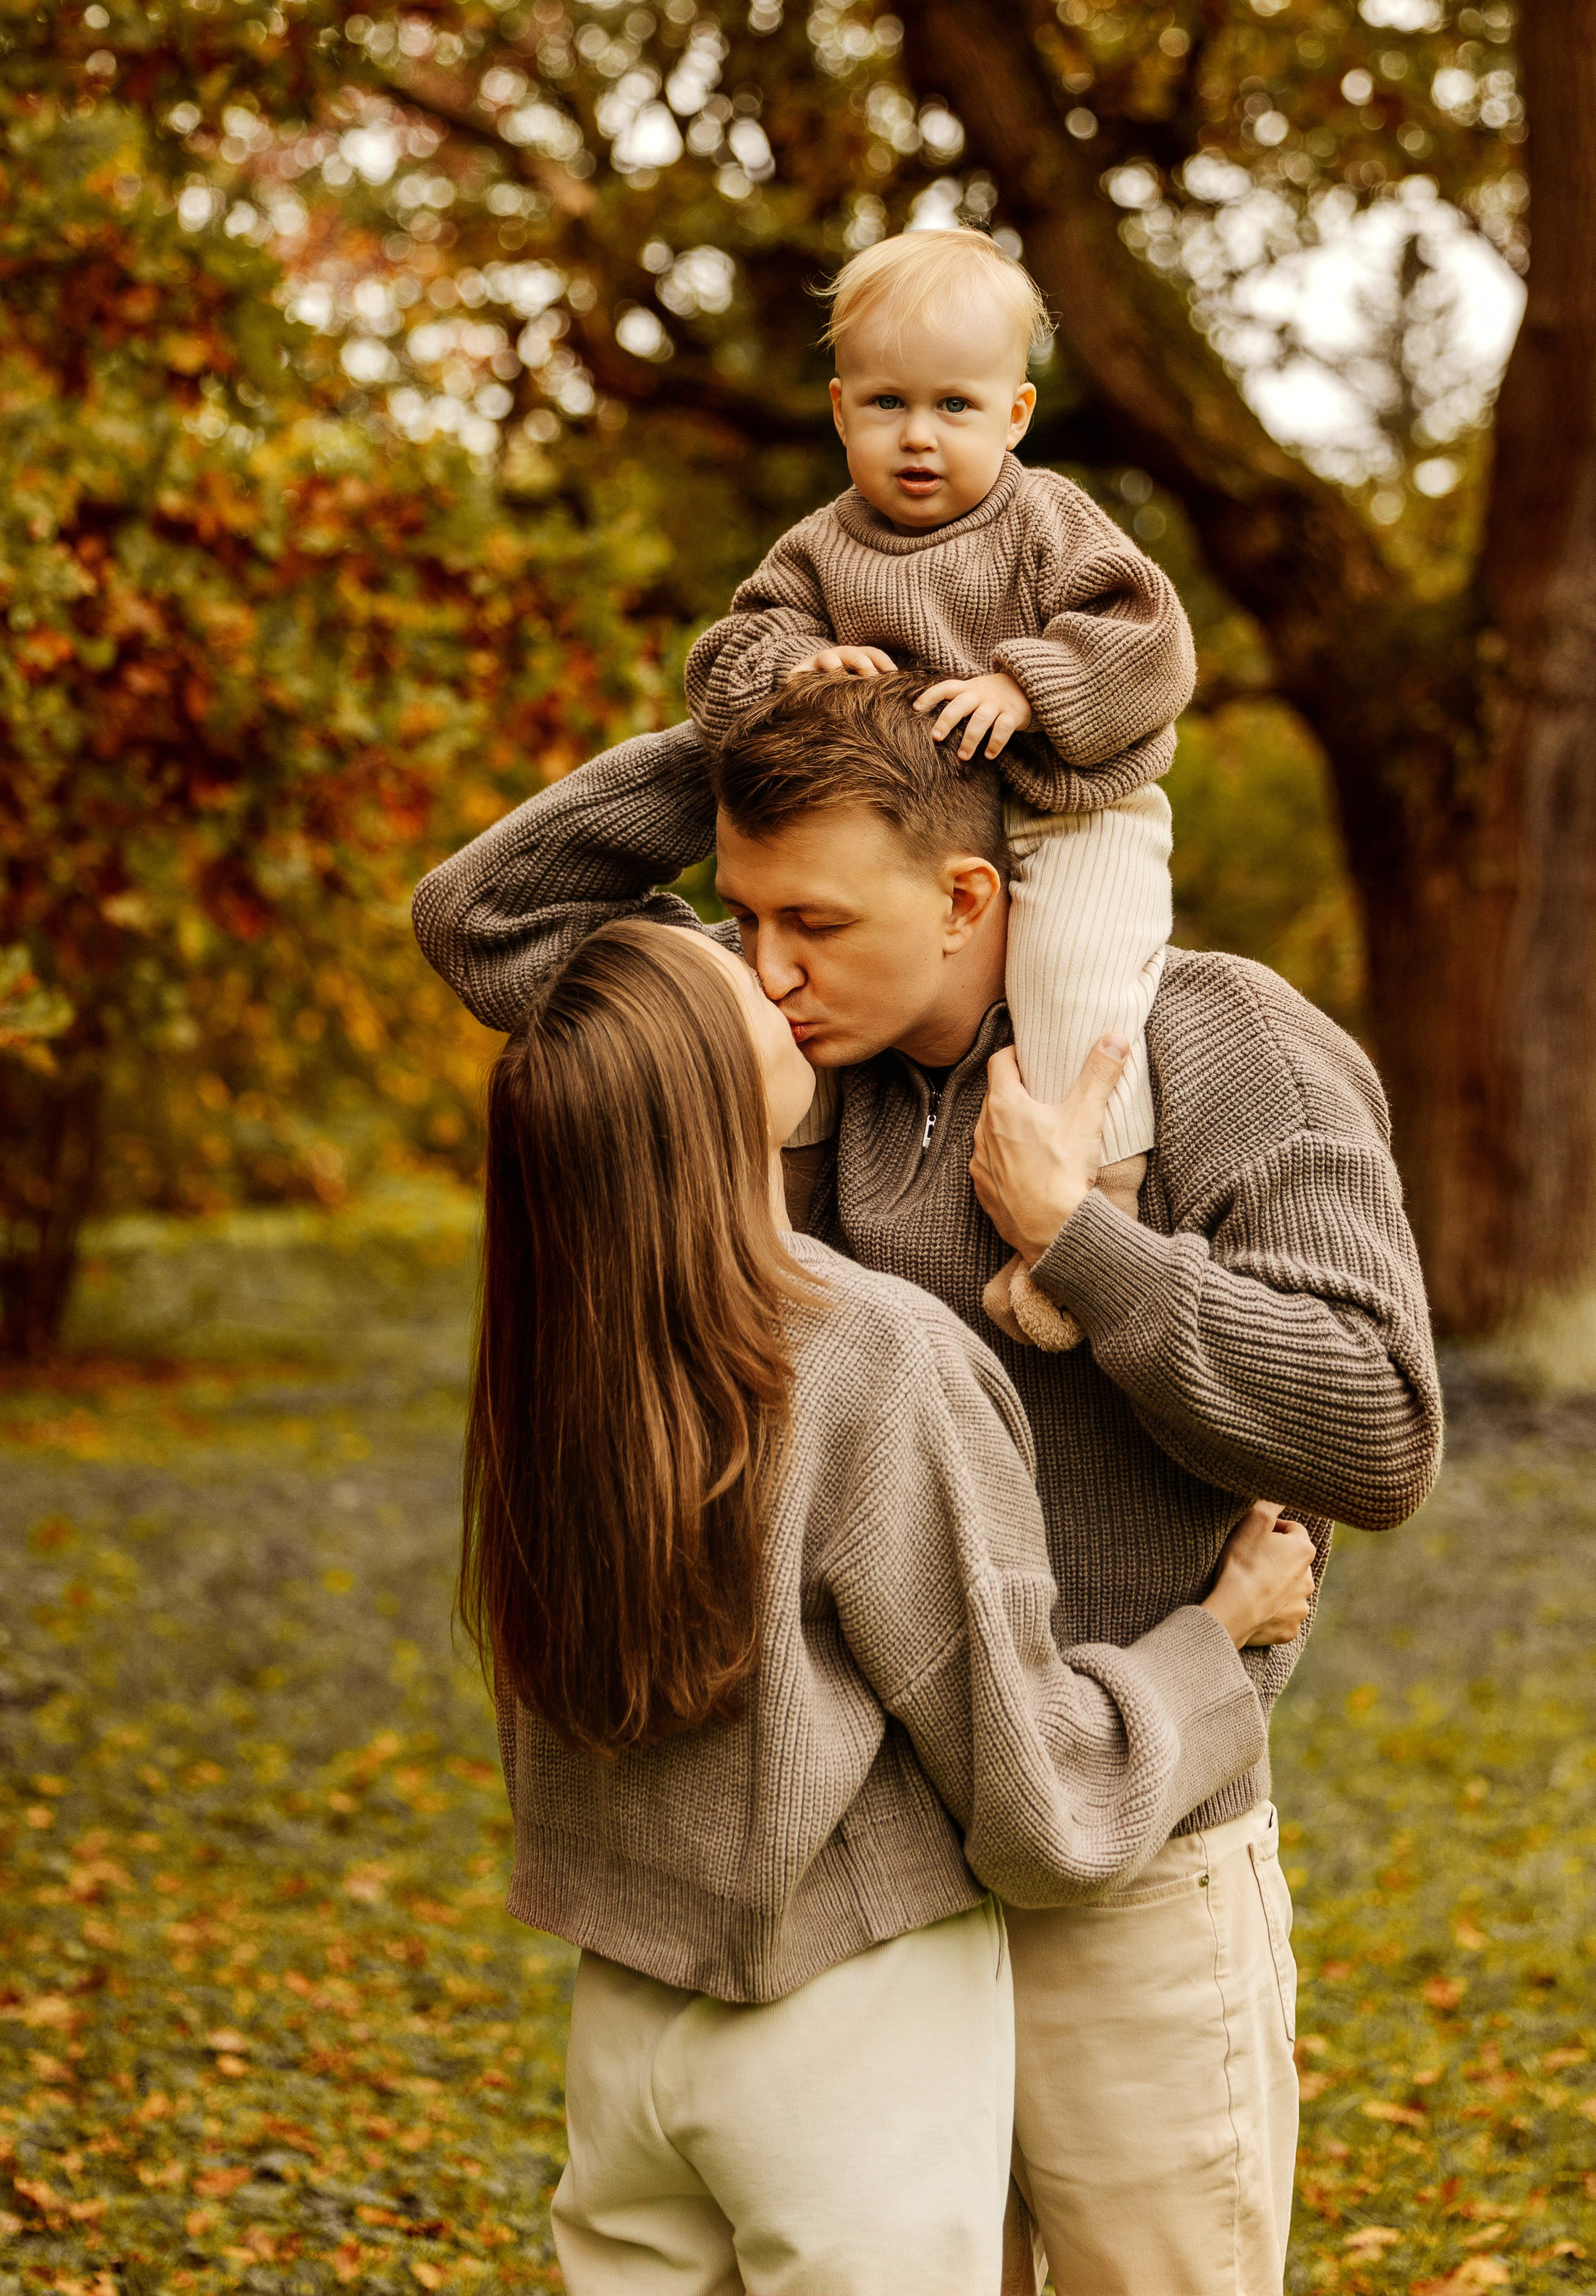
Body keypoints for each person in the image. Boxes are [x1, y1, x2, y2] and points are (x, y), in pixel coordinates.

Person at [415, 674, 1443, 2296]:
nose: (765, 967)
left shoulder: (1213, 1037)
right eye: (744, 915)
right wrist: (757, 729)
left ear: (967, 894)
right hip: (876, 1904)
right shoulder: (788, 1054)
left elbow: (1377, 1430)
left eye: (812, 921)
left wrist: (1081, 1241)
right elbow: (484, 924)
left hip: (1132, 1862)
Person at [684, 226, 1190, 1344]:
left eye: (955, 406)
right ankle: (780, 1226)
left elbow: (1150, 640)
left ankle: (1088, 1214)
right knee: (774, 1014)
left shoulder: (1046, 521)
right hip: (894, 846)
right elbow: (728, 656)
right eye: (887, 403)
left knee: (1077, 985)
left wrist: (1029, 685)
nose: (918, 436)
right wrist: (794, 668)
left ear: (1014, 414)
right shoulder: (819, 549)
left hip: (1071, 809)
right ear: (840, 410)